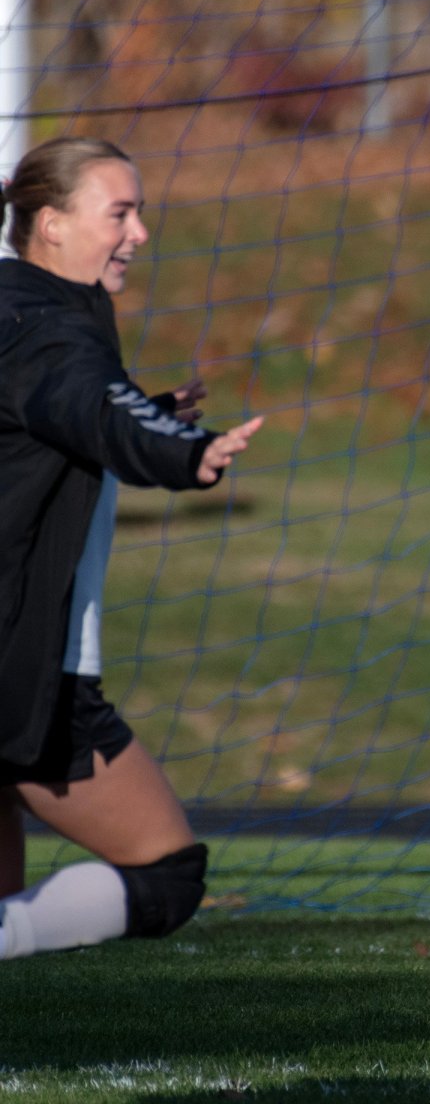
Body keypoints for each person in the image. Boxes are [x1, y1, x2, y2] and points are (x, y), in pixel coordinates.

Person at [0, 135, 262, 961]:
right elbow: (85, 402)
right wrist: (188, 452)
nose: (140, 233)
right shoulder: (49, 331)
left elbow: (64, 418)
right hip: (25, 676)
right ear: (49, 224)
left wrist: (144, 413)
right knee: (169, 876)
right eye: (120, 213)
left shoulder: (25, 314)